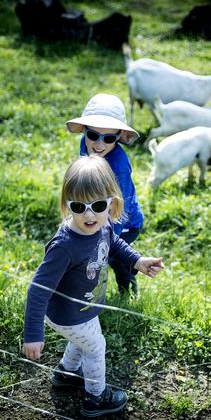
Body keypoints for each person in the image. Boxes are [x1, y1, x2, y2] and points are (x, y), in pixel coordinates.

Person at [22, 155, 164, 418]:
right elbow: (38, 289)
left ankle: (66, 373)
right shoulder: (64, 246)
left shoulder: (104, 223)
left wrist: (138, 261)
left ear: (112, 202)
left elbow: (114, 244)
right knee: (96, 347)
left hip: (84, 309)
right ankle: (96, 398)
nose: (89, 214)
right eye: (79, 206)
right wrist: (32, 333)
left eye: (97, 205)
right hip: (68, 315)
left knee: (83, 343)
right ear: (67, 205)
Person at [66, 93, 143, 295]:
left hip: (124, 224)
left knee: (118, 259)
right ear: (84, 131)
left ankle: (128, 292)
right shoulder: (85, 144)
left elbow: (120, 207)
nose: (99, 145)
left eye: (108, 138)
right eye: (93, 135)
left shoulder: (119, 167)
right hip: (97, 212)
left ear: (119, 136)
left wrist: (107, 239)